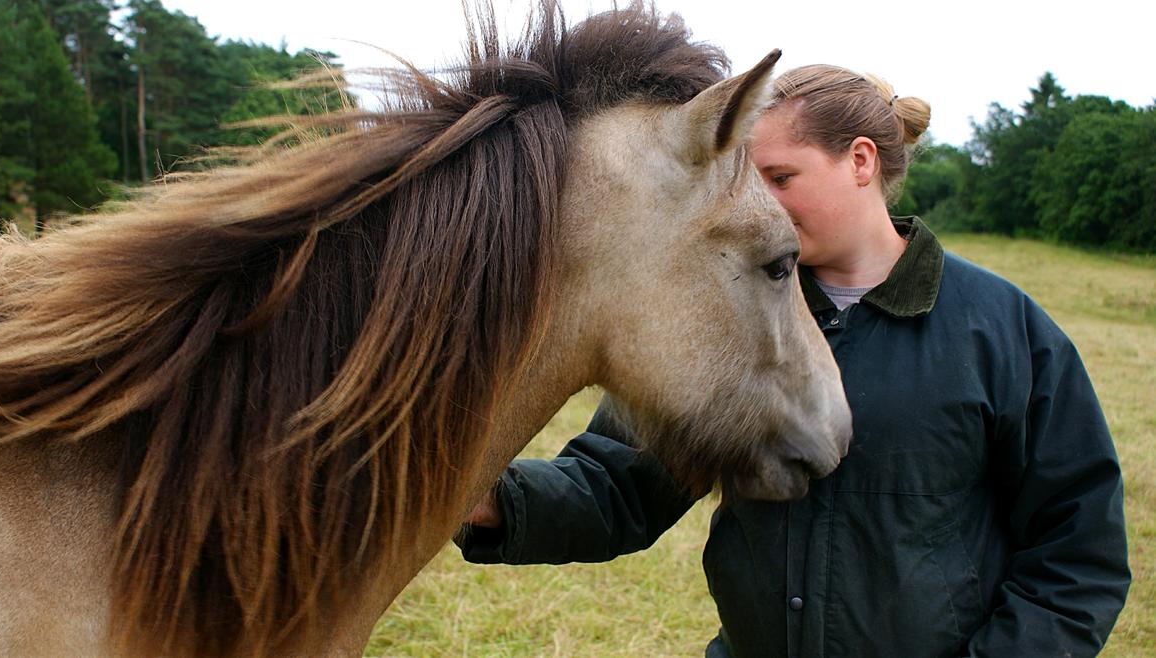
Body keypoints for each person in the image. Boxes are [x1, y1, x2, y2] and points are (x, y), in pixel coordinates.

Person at [456, 63, 1131, 657]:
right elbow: (617, 488)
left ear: (861, 161)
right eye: (747, 181)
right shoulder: (719, 316)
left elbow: (1076, 556)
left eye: (779, 177)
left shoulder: (1004, 329)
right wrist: (474, 498)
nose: (758, 206)